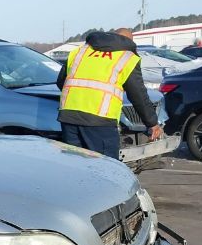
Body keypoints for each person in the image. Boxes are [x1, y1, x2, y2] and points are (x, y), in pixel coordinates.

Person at [57, 28, 162, 159]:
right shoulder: (127, 57)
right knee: (105, 169)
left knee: (75, 165)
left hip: (69, 117)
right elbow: (138, 95)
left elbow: (61, 82)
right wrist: (152, 123)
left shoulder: (80, 51)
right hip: (100, 121)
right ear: (128, 41)